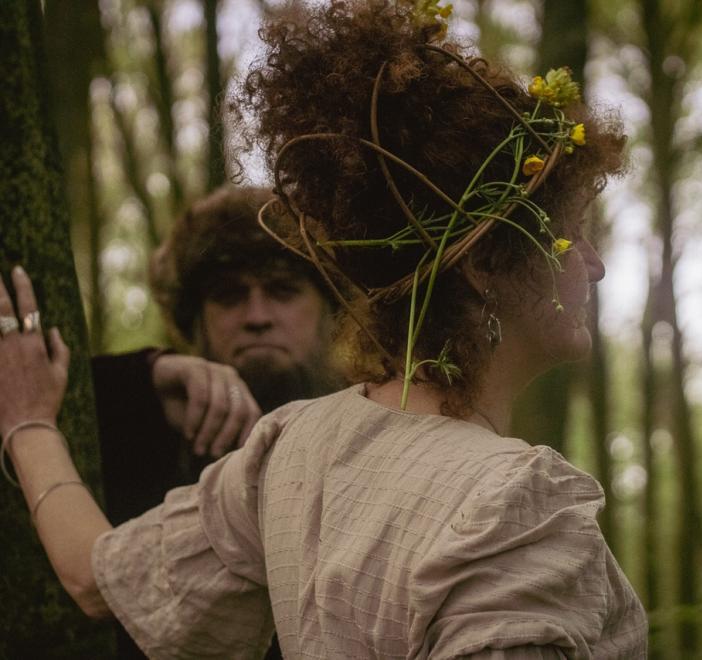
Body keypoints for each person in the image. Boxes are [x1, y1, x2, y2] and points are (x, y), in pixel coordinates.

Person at [0, 2, 647, 658]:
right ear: (483, 263)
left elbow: (94, 575)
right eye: (574, 237)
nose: (593, 267)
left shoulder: (290, 449)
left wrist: (28, 425)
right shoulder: (518, 509)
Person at [92, 185, 338, 658]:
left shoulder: (376, 422)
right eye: (229, 296)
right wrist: (145, 377)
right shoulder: (147, 424)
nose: (258, 316)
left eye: (283, 290)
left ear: (331, 309)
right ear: (195, 320)